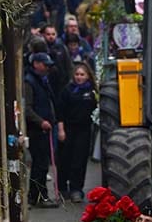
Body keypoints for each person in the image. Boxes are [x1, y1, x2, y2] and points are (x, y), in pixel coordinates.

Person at [23, 52, 64, 207]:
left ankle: (36, 196)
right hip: (37, 130)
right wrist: (41, 122)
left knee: (41, 163)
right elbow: (27, 109)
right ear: (36, 64)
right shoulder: (30, 82)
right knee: (40, 164)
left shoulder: (41, 80)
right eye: (45, 65)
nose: (47, 68)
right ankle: (39, 197)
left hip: (44, 130)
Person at [57, 63, 98, 202]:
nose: (79, 77)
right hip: (68, 129)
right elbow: (60, 112)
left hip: (84, 130)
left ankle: (76, 189)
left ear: (87, 76)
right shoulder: (67, 91)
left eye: (82, 74)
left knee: (79, 160)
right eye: (77, 74)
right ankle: (62, 188)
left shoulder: (92, 92)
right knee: (64, 160)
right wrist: (61, 130)